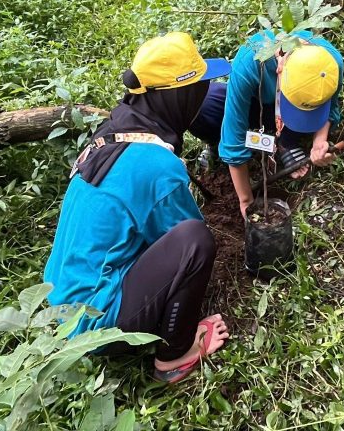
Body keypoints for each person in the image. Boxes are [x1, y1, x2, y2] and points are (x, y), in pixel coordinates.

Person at [43, 32, 232, 383]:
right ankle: (173, 358)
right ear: (181, 97)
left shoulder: (114, 130)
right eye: (200, 87)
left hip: (60, 300)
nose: (204, 93)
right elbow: (184, 239)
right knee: (195, 241)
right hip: (93, 322)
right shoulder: (156, 165)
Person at [189, 29, 344, 216]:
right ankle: (215, 142)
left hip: (282, 108)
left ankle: (287, 142)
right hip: (258, 102)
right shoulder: (250, 61)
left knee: (300, 119)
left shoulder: (331, 64)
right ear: (280, 68)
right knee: (203, 106)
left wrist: (319, 140)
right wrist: (246, 201)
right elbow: (234, 135)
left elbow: (331, 108)